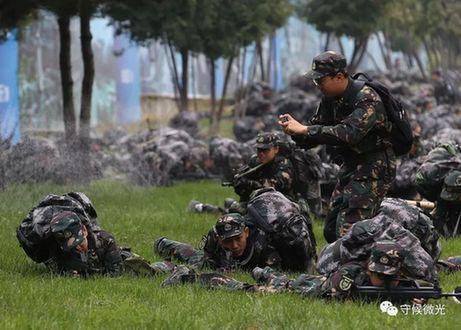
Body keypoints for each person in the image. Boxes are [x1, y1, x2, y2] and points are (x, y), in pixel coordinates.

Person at [279, 51, 396, 242]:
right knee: (331, 230)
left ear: (339, 77)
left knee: (350, 232)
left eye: (320, 81)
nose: (317, 86)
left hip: (374, 166)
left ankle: (361, 268)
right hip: (350, 165)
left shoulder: (367, 98)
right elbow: (315, 134)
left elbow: (348, 134)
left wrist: (305, 129)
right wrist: (295, 132)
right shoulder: (330, 100)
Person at [162, 240, 439, 304]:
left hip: (310, 281)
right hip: (312, 289)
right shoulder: (350, 272)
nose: (383, 279)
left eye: (389, 276)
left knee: (280, 278)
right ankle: (189, 276)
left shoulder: (400, 279)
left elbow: (413, 288)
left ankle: (264, 273)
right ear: (369, 265)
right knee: (255, 288)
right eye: (381, 274)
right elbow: (338, 298)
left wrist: (414, 299)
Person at [155, 207, 316, 273]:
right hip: (223, 263)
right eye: (228, 241)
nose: (234, 245)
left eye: (238, 238)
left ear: (246, 232)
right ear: (219, 239)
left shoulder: (263, 243)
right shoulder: (213, 236)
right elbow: (207, 259)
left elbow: (273, 274)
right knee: (194, 259)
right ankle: (161, 244)